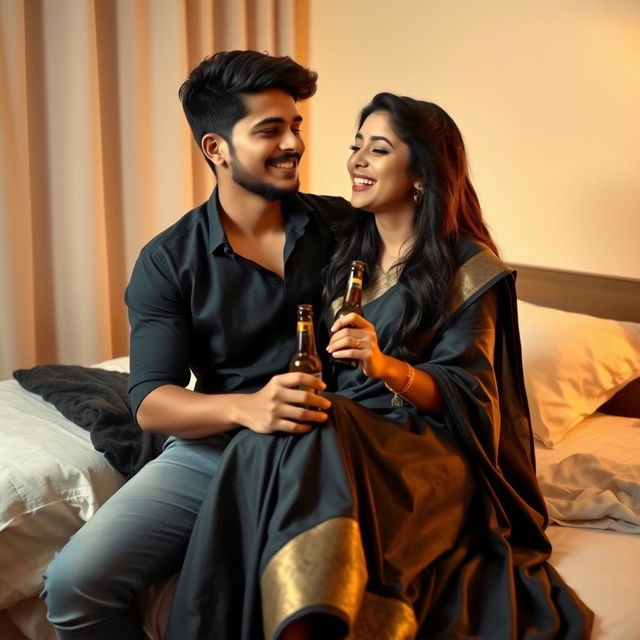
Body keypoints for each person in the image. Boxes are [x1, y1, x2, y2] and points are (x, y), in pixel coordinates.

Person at [163, 93, 594, 639]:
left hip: (427, 455)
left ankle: (317, 623)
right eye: (356, 145)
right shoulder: (346, 251)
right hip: (349, 436)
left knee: (318, 428)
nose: (357, 160)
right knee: (265, 438)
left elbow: (473, 395)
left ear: (420, 172)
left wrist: (385, 365)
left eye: (379, 149)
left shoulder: (467, 267)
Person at [40, 50, 355, 640]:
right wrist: (246, 407)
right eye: (269, 130)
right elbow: (151, 401)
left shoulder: (348, 227)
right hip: (216, 449)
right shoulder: (167, 261)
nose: (293, 143)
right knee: (74, 584)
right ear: (217, 149)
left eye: (295, 126)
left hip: (344, 443)